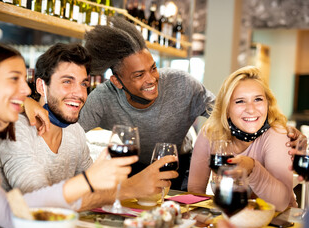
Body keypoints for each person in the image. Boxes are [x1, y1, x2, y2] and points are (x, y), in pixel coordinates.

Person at [0, 42, 137, 228]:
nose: (26, 90)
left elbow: (15, 207)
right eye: (14, 79)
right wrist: (89, 181)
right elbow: (9, 212)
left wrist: (25, 104)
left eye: (24, 80)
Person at [24, 16, 216, 191]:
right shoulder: (102, 98)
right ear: (117, 82)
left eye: (153, 68)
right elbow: (65, 127)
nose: (151, 79)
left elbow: (225, 113)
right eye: (139, 75)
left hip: (179, 166)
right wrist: (28, 102)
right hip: (134, 172)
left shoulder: (182, 83)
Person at [0, 42, 150, 211]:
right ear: (41, 86)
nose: (79, 93)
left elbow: (95, 191)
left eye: (84, 84)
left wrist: (138, 182)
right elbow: (38, 202)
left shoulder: (74, 131)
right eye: (67, 81)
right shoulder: (16, 129)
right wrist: (129, 189)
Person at [188, 66, 297, 211]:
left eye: (258, 99)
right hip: (230, 219)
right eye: (240, 101)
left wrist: (252, 168)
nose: (251, 109)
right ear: (226, 109)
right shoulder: (211, 133)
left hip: (278, 224)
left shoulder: (277, 134)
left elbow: (281, 203)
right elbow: (195, 191)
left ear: (268, 104)